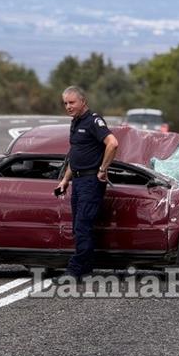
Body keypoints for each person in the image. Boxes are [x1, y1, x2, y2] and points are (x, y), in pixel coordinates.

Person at [55, 86, 119, 278]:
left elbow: (113, 143)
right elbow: (76, 156)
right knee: (78, 227)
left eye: (72, 102)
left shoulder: (93, 121)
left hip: (91, 182)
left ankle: (74, 270)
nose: (68, 106)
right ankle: (86, 267)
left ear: (83, 101)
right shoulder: (75, 122)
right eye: (65, 103)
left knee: (83, 226)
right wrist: (65, 180)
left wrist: (102, 169)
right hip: (78, 181)